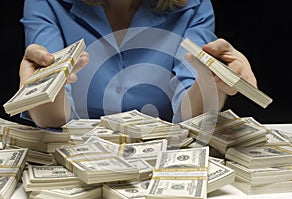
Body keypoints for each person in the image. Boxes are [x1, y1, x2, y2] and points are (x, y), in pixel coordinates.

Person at [18, 0, 257, 128]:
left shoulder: (194, 5)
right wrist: (40, 90)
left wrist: (211, 80)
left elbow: (193, 120)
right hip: (75, 165)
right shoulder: (46, 2)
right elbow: (50, 120)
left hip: (162, 164)